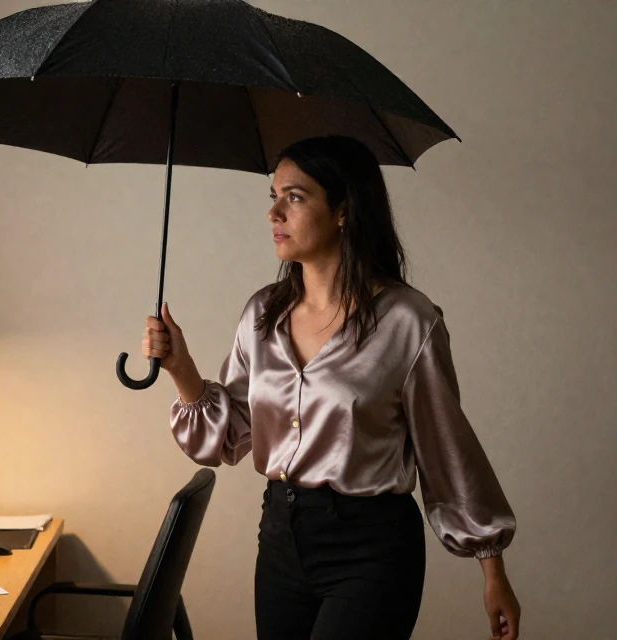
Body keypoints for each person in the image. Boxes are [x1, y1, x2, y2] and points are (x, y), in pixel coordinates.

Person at [142, 136, 520, 640]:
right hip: (280, 539)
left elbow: (446, 447)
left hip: (372, 548)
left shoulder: (408, 321)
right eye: (273, 196)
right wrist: (179, 366)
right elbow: (227, 436)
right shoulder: (262, 314)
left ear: (344, 210)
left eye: (294, 197)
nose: (274, 212)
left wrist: (492, 570)